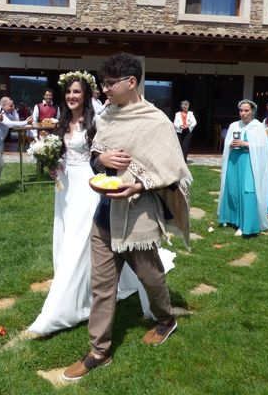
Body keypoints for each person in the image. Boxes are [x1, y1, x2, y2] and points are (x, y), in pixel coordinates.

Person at [63, 53, 191, 381]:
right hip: (104, 213)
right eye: (103, 83)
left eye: (110, 84)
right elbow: (95, 158)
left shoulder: (156, 121)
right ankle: (99, 351)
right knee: (103, 286)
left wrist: (139, 185)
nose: (104, 90)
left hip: (139, 217)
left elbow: (172, 168)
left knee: (151, 278)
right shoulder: (106, 118)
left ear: (131, 82)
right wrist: (100, 157)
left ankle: (166, 319)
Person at [29, 71, 175, 336]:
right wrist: (54, 165)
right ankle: (81, 290)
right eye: (69, 92)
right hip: (66, 188)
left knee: (78, 240)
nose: (72, 96)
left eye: (77, 92)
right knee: (69, 238)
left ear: (86, 95)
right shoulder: (62, 122)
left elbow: (98, 155)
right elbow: (66, 154)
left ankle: (59, 309)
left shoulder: (97, 121)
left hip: (89, 186)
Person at [218, 100, 268, 237]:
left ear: (252, 111)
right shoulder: (234, 125)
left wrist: (245, 143)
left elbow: (263, 147)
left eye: (246, 110)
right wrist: (230, 144)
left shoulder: (258, 127)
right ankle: (231, 218)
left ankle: (246, 224)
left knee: (247, 191)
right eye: (241, 110)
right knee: (232, 189)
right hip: (234, 162)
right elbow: (227, 142)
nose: (243, 113)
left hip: (248, 162)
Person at [0, 96, 32, 193]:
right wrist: (26, 122)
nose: (12, 107)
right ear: (3, 105)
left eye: (13, 105)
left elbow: (16, 121)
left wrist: (14, 111)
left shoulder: (7, 112)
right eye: (10, 105)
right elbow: (9, 124)